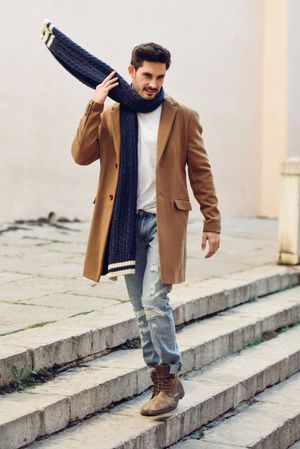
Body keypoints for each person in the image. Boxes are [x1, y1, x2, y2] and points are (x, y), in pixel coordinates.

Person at [71, 42, 221, 416]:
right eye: (147, 75)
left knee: (156, 301)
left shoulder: (182, 116)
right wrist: (95, 105)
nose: (154, 83)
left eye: (160, 77)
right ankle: (160, 377)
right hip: (124, 221)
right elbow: (81, 154)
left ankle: (169, 376)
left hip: (163, 221)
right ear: (132, 71)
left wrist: (212, 221)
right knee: (140, 309)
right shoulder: (112, 115)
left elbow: (200, 171)